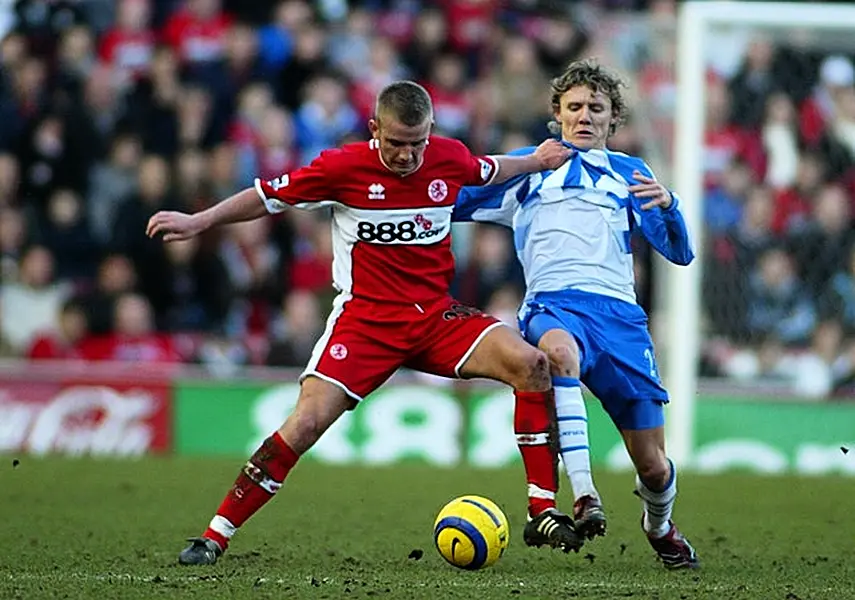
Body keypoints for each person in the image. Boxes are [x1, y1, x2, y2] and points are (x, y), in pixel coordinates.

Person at [147, 80, 582, 565]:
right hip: (366, 323)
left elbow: (490, 168)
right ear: (375, 129)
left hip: (436, 316)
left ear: (430, 132)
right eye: (396, 143)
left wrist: (538, 161)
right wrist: (198, 221)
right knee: (306, 422)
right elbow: (267, 197)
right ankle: (215, 534)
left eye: (416, 143)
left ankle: (542, 509)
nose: (407, 156)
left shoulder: (448, 157)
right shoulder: (342, 167)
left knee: (531, 364)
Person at [453, 59, 699, 569]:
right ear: (557, 114)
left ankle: (660, 526)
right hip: (554, 305)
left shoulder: (633, 174)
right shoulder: (529, 166)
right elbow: (451, 199)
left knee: (653, 466)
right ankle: (584, 494)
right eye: (574, 107)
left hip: (621, 323)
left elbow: (679, 253)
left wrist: (671, 205)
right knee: (558, 352)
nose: (584, 116)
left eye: (596, 108)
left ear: (613, 119)